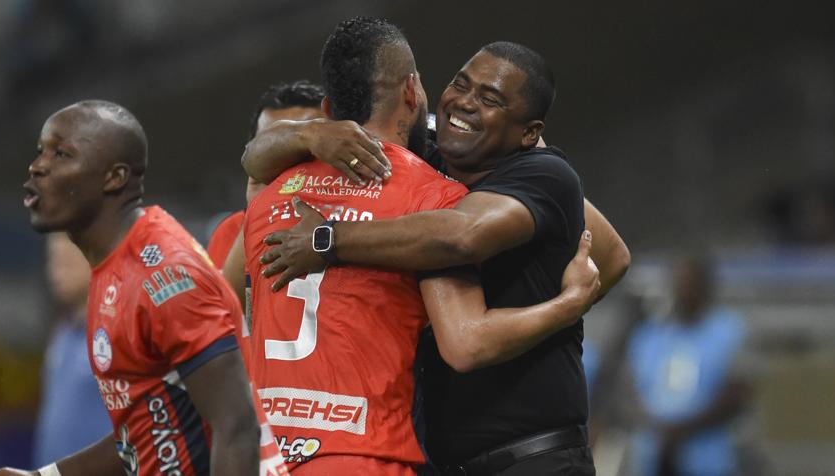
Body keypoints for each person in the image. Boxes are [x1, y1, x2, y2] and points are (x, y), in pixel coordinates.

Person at [244, 19, 600, 475]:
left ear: (529, 133)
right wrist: (308, 133)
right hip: (411, 455)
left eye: (489, 100)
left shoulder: (543, 175)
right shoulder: (429, 177)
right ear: (415, 92)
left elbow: (464, 241)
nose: (464, 103)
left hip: (532, 455)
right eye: (459, 83)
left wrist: (570, 304)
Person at [0, 100, 280, 476]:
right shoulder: (111, 269)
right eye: (41, 152)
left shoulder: (166, 274)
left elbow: (238, 428)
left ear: (114, 178)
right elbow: (143, 433)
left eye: (62, 154)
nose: (38, 166)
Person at [625, 254, 750, 476]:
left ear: (706, 288)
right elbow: (631, 392)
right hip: (654, 456)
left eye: (690, 284)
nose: (683, 291)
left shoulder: (729, 332)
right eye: (679, 283)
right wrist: (655, 426)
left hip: (709, 457)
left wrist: (682, 430)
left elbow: (736, 395)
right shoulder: (650, 335)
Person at [206, 80, 327, 270]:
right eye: (272, 145)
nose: (287, 156)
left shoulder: (359, 213)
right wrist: (257, 211)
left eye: (305, 145)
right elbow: (232, 299)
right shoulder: (232, 230)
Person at [32, 233, 113, 466]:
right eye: (52, 261)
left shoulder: (114, 334)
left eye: (66, 262)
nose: (55, 271)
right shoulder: (62, 332)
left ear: (94, 260)